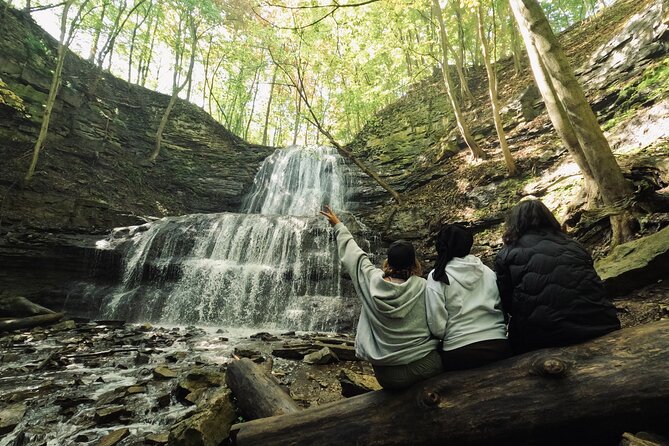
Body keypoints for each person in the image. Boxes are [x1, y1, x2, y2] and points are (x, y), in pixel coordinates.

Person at [320, 205, 442, 390]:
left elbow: (355, 256)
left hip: (390, 376)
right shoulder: (425, 286)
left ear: (388, 262)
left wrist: (339, 225)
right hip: (425, 366)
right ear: (414, 263)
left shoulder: (371, 281)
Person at [494, 199, 620, 353]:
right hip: (600, 323)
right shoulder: (573, 245)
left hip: (544, 336)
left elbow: (506, 303)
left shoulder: (506, 254)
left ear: (514, 222)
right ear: (549, 218)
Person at [425, 224, 510, 371]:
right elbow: (502, 308)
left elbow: (437, 326)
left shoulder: (437, 277)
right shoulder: (487, 271)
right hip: (498, 345)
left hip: (460, 351)